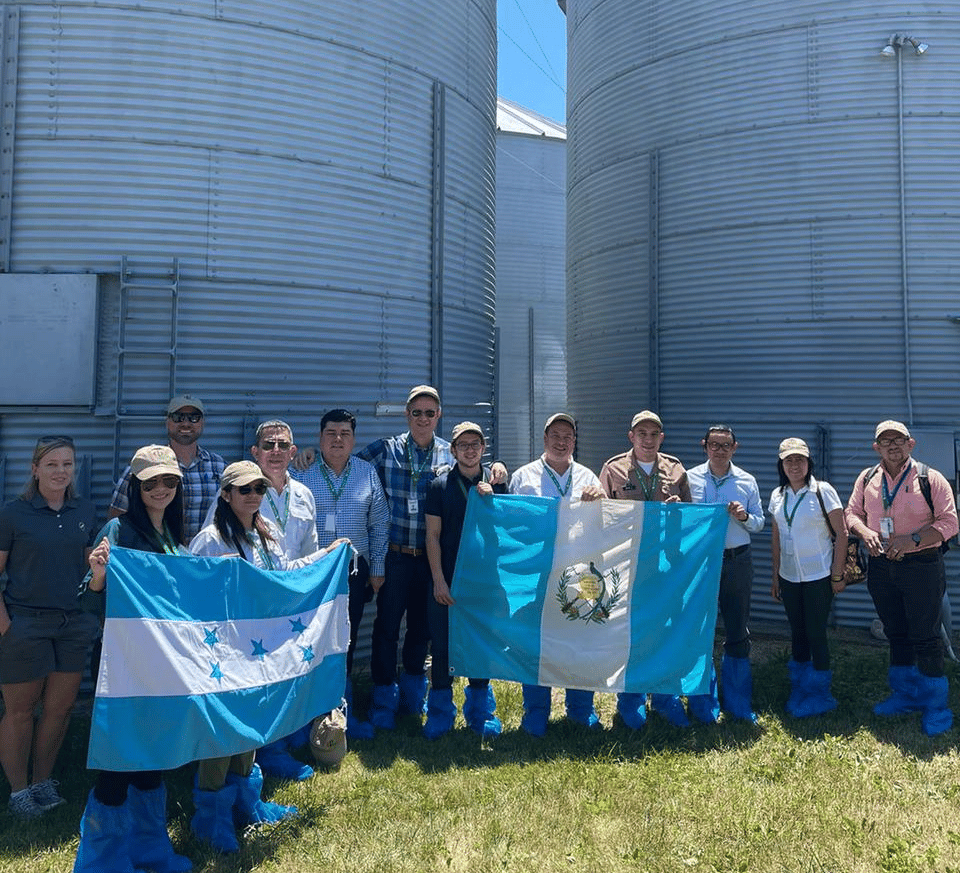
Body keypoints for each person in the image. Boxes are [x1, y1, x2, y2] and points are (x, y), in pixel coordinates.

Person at [188, 461, 350, 852]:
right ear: (226, 495)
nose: (254, 496)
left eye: (259, 489)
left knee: (250, 724)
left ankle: (246, 802)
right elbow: (190, 593)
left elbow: (286, 573)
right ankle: (211, 818)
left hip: (259, 650)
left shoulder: (267, 533)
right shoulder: (210, 540)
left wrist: (325, 556)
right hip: (223, 652)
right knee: (223, 731)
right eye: (244, 490)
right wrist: (215, 575)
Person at [74, 445, 192, 873]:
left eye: (169, 481)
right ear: (136, 486)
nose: (161, 489)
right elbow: (87, 602)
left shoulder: (175, 536)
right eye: (151, 482)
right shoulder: (117, 531)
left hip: (162, 665)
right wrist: (100, 576)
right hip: (121, 665)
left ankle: (149, 851)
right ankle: (102, 863)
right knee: (119, 761)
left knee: (152, 758)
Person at [0, 435, 99, 819]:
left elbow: (92, 569)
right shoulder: (14, 512)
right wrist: (5, 624)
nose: (61, 472)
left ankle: (42, 781)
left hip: (72, 625)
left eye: (68, 464)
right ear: (35, 468)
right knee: (20, 711)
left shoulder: (85, 511)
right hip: (25, 625)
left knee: (58, 710)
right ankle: (18, 790)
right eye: (53, 464)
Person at [844, 420, 959, 736]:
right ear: (876, 447)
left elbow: (950, 523)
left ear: (911, 444)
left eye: (899, 440)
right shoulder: (867, 478)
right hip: (882, 567)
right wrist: (865, 532)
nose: (892, 445)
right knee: (896, 632)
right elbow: (851, 514)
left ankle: (935, 706)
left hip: (921, 565)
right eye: (885, 441)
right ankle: (905, 695)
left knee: (925, 634)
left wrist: (914, 540)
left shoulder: (930, 479)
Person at [289, 408, 389, 740]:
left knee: (343, 641)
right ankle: (305, 715)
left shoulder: (366, 473)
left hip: (353, 574)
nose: (337, 440)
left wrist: (377, 569)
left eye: (345, 434)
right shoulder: (301, 473)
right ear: (319, 438)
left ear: (353, 439)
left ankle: (339, 711)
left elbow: (379, 524)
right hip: (312, 576)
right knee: (308, 640)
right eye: (331, 433)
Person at [509, 413, 604, 735]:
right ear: (545, 438)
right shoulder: (525, 477)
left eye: (568, 436)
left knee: (580, 637)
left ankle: (581, 709)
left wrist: (600, 502)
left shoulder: (589, 477)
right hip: (537, 572)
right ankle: (536, 711)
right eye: (556, 435)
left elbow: (602, 526)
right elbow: (514, 525)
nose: (561, 442)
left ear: (574, 441)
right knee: (535, 640)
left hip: (578, 573)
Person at [599, 410, 693, 728]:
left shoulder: (676, 469)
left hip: (666, 566)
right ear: (631, 437)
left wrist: (677, 511)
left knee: (665, 630)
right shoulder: (613, 469)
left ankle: (665, 698)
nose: (648, 440)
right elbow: (602, 518)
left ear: (661, 438)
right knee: (633, 633)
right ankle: (631, 699)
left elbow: (691, 520)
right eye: (642, 434)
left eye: (654, 434)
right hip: (630, 565)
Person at [242, 420, 320, 781]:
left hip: (292, 602)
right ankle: (266, 752)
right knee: (261, 675)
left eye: (282, 445)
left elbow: (310, 549)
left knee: (289, 670)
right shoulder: (239, 491)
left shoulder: (304, 495)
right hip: (254, 602)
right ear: (255, 453)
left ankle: (288, 738)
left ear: (292, 453)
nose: (275, 451)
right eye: (267, 445)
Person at [423, 422, 506, 739]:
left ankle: (481, 712)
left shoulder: (497, 484)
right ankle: (441, 713)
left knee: (479, 646)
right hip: (450, 580)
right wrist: (438, 580)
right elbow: (432, 535)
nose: (470, 450)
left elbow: (507, 529)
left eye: (476, 444)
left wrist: (492, 499)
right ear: (453, 450)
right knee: (442, 647)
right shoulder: (439, 486)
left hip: (485, 582)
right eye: (463, 445)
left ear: (483, 448)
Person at [687, 424, 764, 723]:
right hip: (700, 564)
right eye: (714, 444)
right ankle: (703, 703)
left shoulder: (747, 481)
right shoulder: (689, 478)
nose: (719, 450)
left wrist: (743, 516)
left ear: (735, 448)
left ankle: (738, 703)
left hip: (737, 562)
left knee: (737, 629)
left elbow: (759, 522)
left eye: (725, 445)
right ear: (704, 446)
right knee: (700, 631)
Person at [768, 438, 847, 718]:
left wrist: (837, 574)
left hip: (819, 576)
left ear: (808, 462)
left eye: (799, 460)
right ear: (782, 464)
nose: (794, 465)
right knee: (798, 633)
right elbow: (776, 537)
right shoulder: (778, 495)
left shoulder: (822, 491)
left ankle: (821, 693)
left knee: (816, 633)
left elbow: (843, 534)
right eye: (788, 460)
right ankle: (801, 685)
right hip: (790, 577)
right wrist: (776, 576)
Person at [109, 395, 225, 542]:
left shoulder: (220, 467)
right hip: (158, 556)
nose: (186, 423)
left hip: (206, 560)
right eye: (178, 417)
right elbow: (117, 515)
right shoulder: (144, 464)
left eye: (193, 417)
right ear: (167, 422)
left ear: (202, 423)